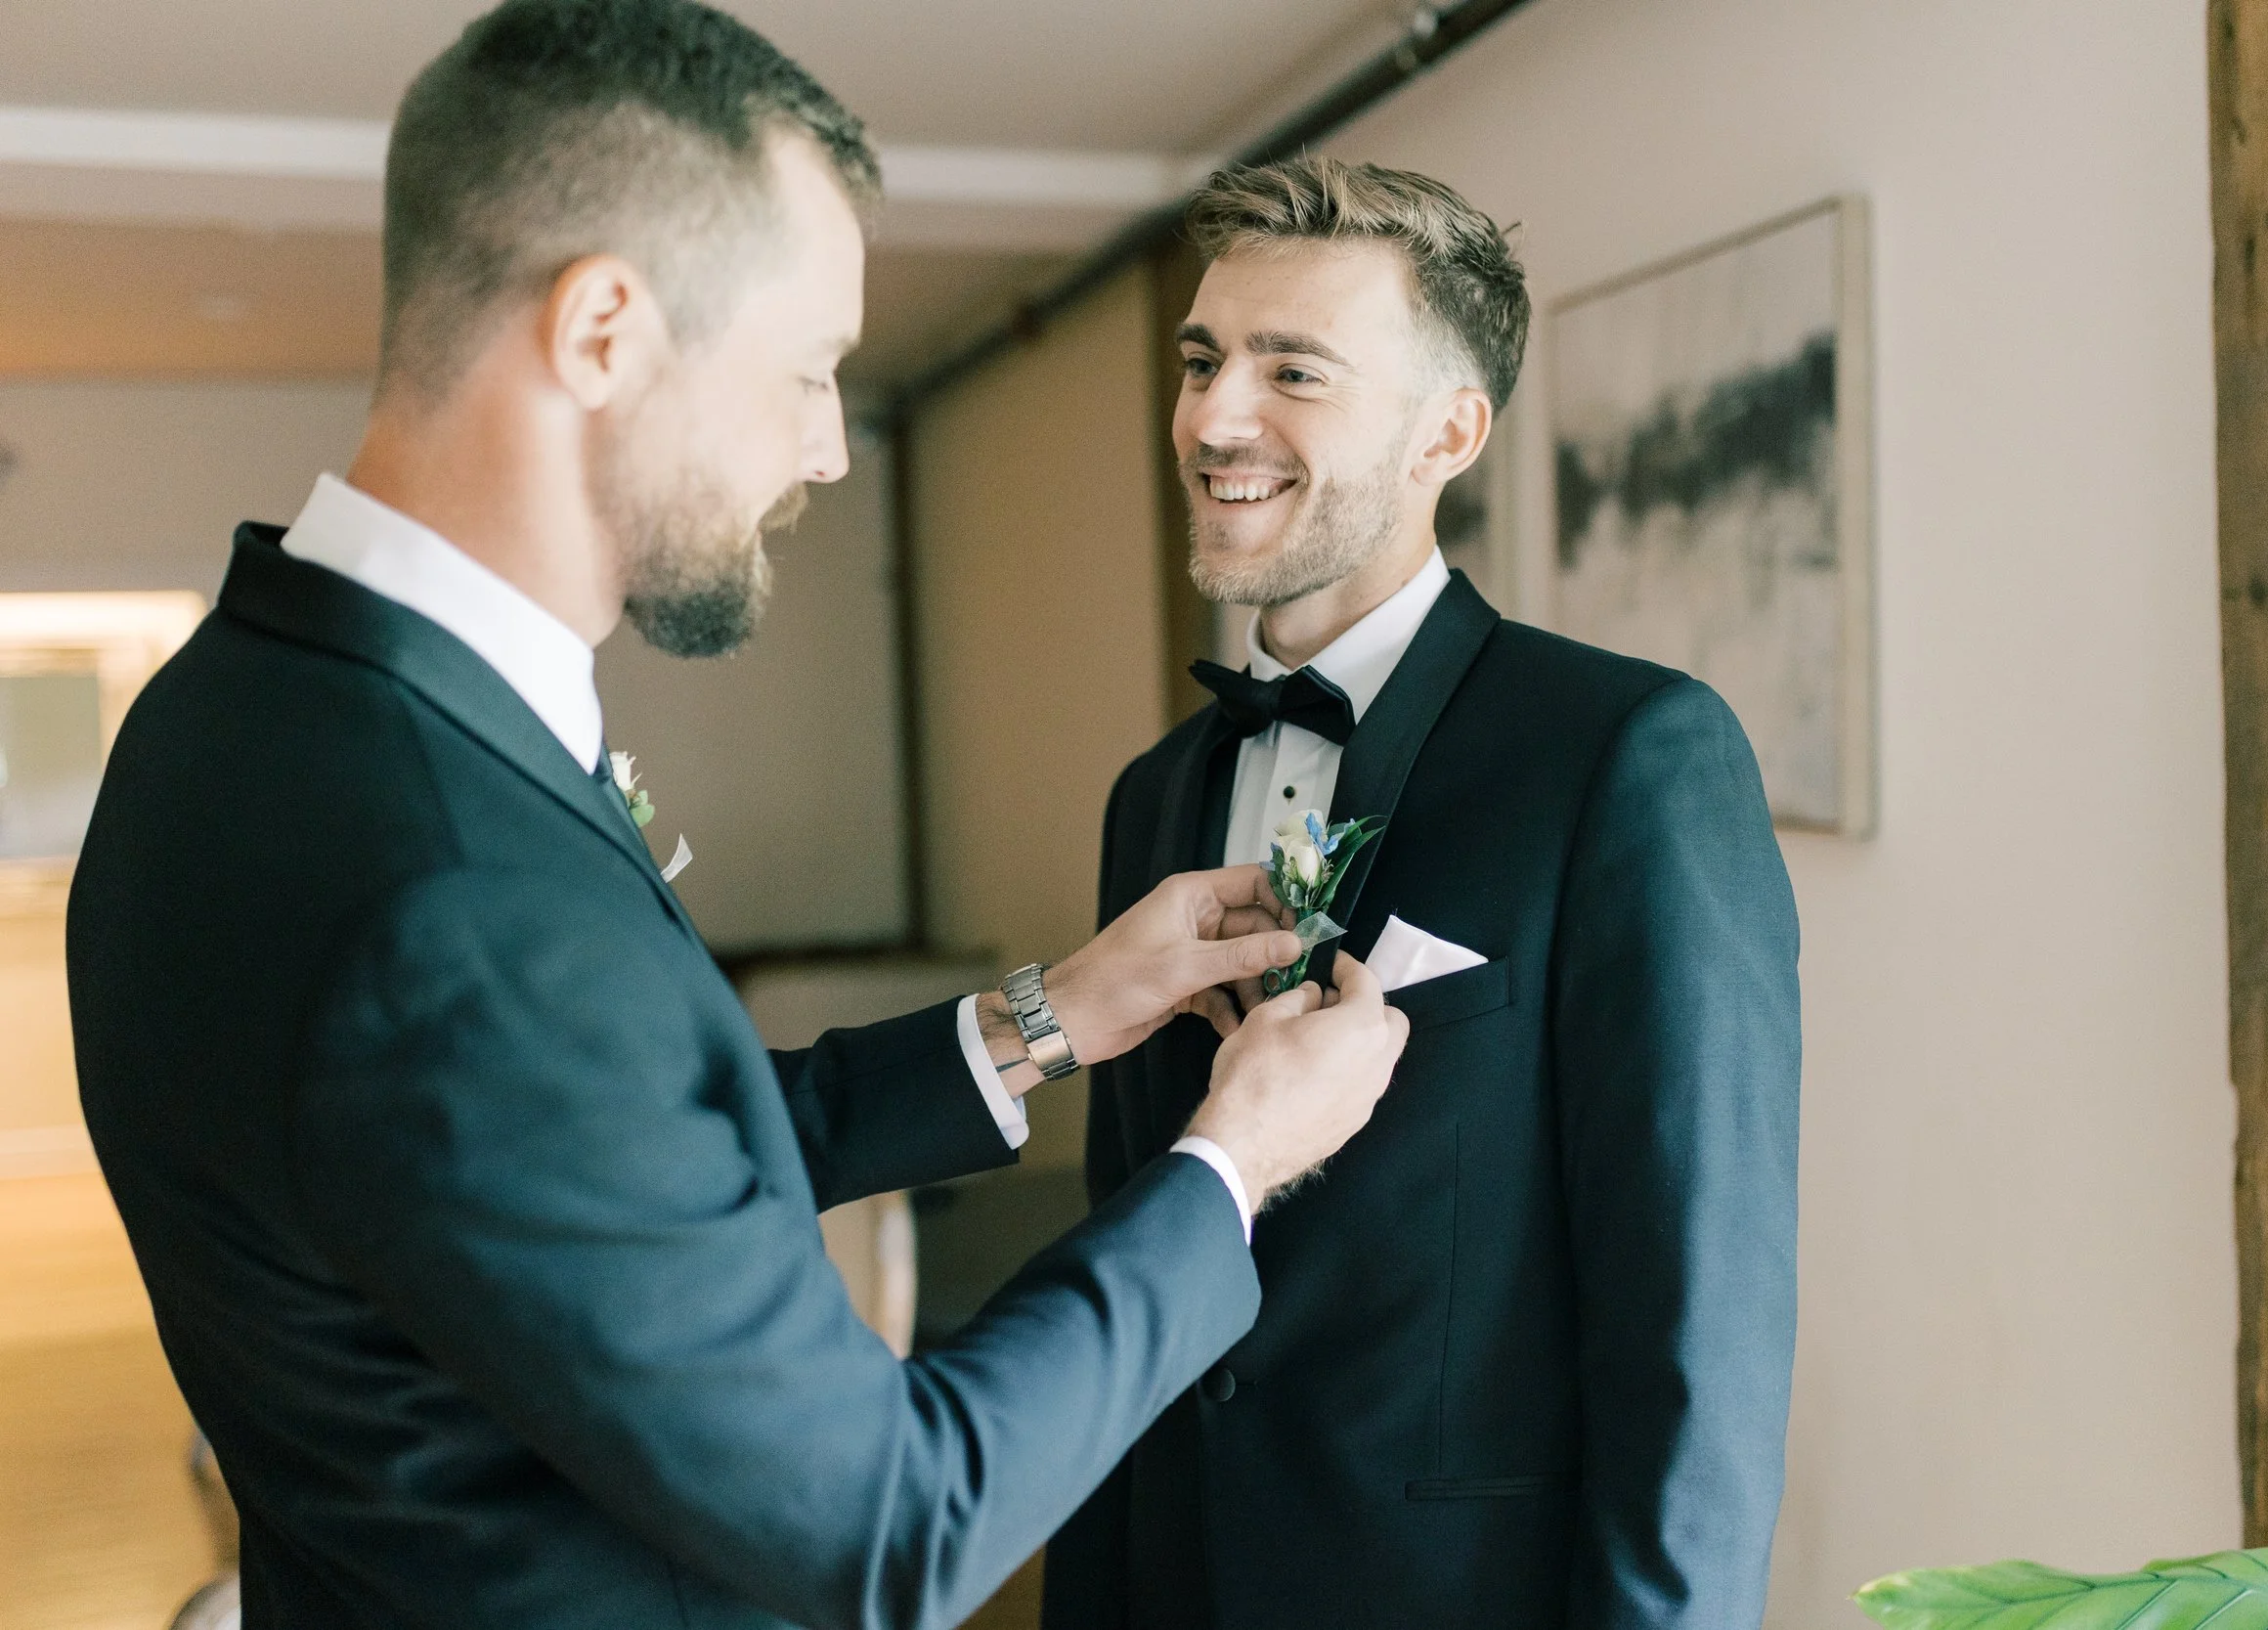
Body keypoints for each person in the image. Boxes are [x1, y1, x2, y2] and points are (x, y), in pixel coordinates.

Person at [64, 7, 1410, 1628]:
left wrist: (1051, 1014)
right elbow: (891, 1522)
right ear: (606, 332)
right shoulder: (452, 895)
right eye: (806, 372)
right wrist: (1230, 1159)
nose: (830, 448)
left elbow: (595, 1162)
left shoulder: (228, 716)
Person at [1042, 157, 1802, 1630]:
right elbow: (1127, 1245)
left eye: (1292, 370)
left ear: (1447, 430)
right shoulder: (1152, 795)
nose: (1212, 416)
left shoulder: (1630, 758)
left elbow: (1701, 1320)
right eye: (1201, 360)